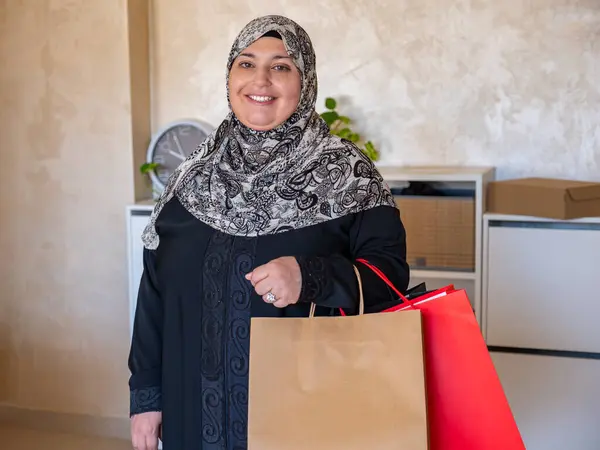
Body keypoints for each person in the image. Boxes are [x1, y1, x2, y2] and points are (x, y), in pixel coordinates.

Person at [128, 14, 410, 450]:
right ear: (229, 77)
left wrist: (311, 277)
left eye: (280, 66)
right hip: (192, 411)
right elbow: (154, 293)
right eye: (246, 63)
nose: (260, 79)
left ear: (305, 80)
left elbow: (391, 280)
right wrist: (146, 397)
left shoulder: (349, 176)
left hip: (307, 417)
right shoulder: (191, 180)